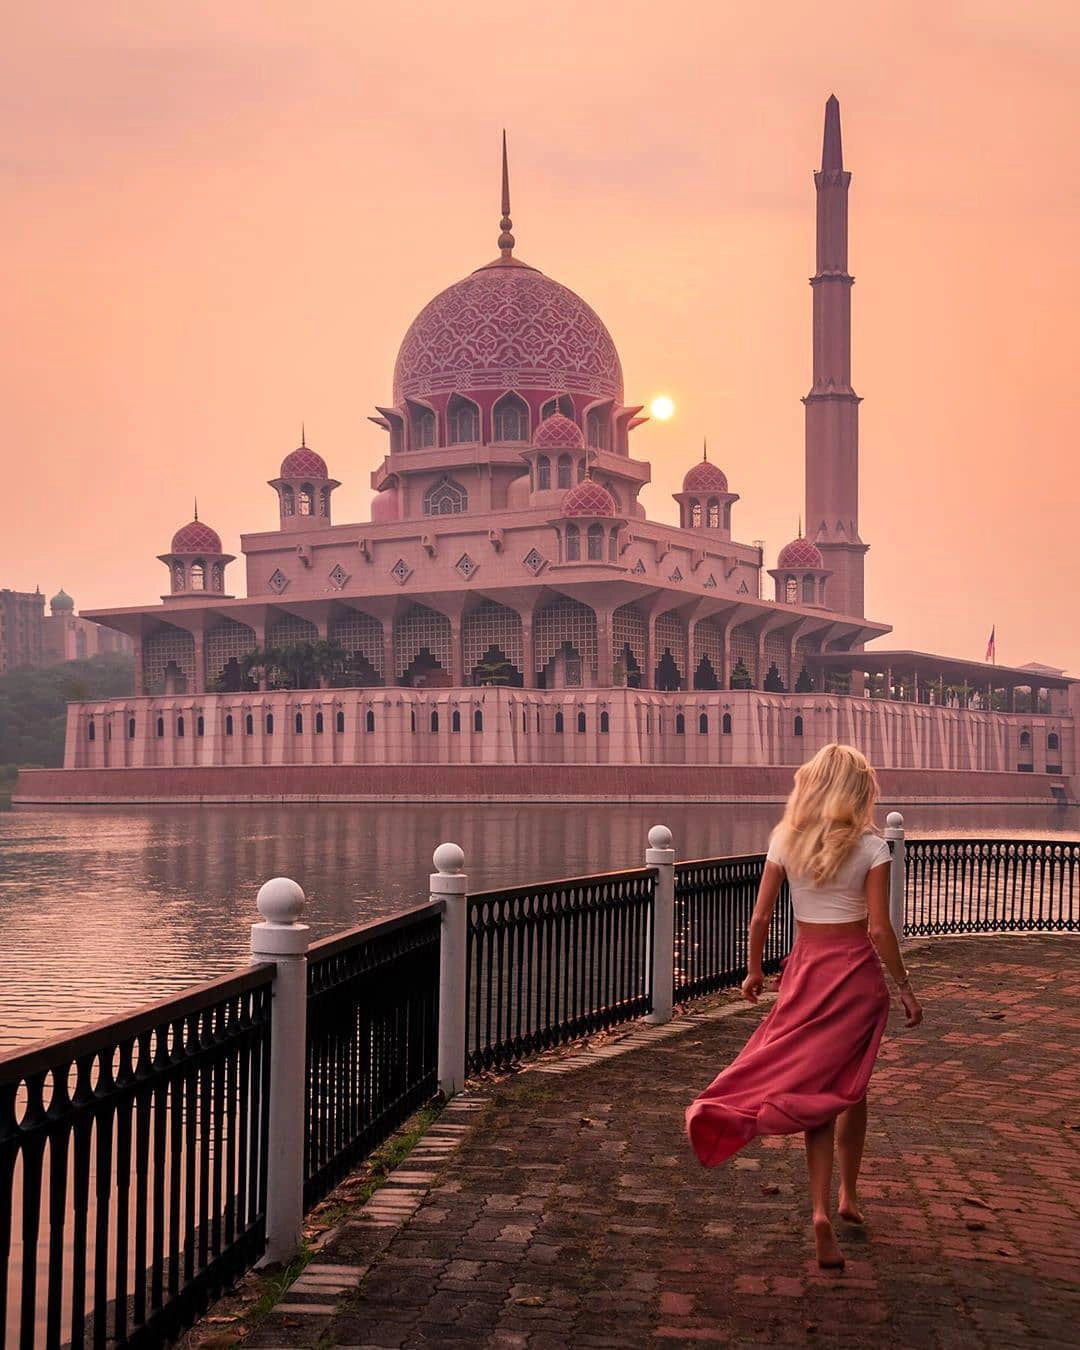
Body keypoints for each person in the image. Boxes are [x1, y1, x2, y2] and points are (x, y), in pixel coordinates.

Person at [685, 743, 923, 1270]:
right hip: (856, 976)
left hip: (807, 972)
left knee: (816, 1089)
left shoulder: (785, 839)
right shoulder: (872, 846)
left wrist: (753, 971)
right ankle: (849, 1198)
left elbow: (760, 918)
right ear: (859, 791)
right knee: (850, 1087)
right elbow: (880, 929)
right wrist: (904, 985)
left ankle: (819, 1209)